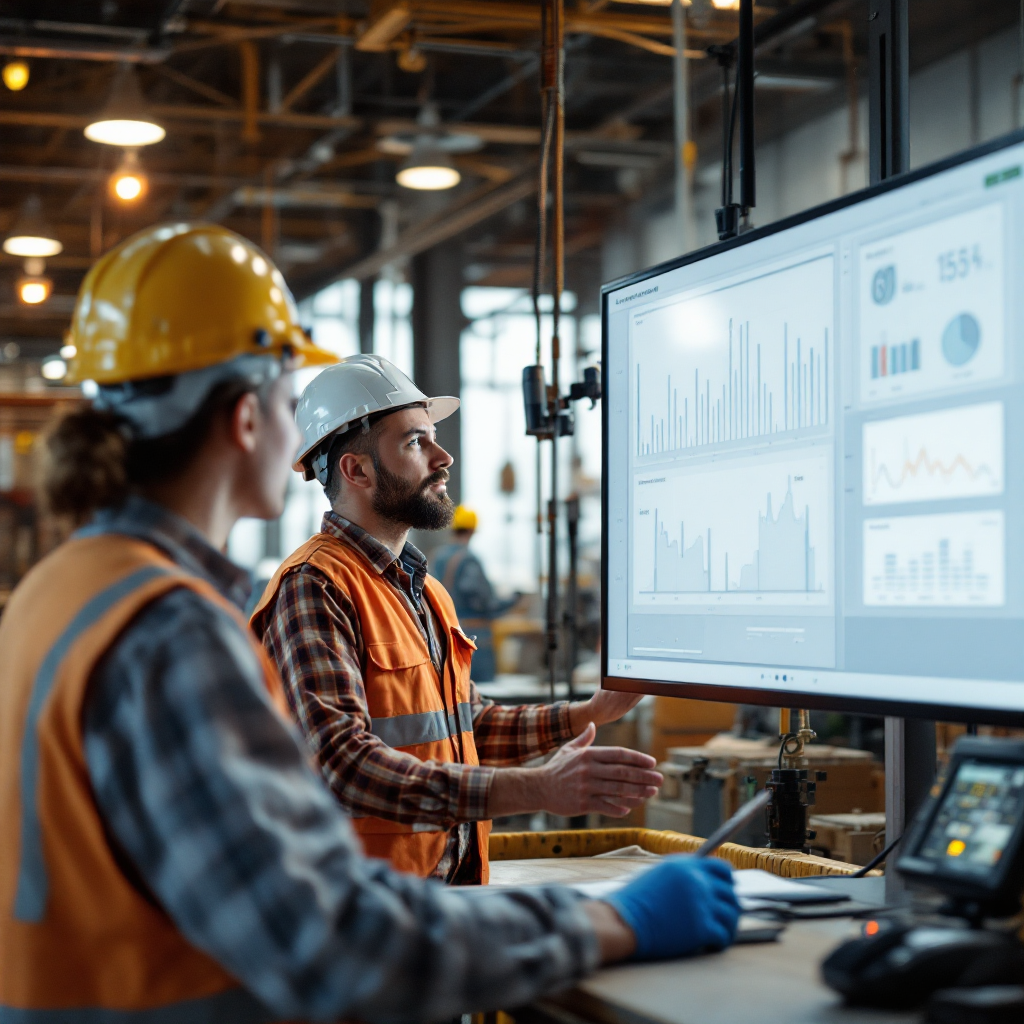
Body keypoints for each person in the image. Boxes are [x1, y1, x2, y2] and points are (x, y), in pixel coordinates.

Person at [0, 222, 740, 1024]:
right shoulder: (174, 627)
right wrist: (611, 923)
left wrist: (582, 715)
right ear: (246, 419)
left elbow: (449, 725)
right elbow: (328, 937)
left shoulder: (63, 590)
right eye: (286, 400)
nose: (292, 432)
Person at [251, 356, 661, 884]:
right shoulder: (315, 586)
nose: (443, 458)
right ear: (356, 470)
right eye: (414, 442)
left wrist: (589, 713)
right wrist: (537, 788)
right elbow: (342, 764)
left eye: (434, 438)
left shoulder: (426, 592)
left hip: (439, 896)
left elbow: (467, 726)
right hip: (360, 905)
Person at [432, 505, 516, 682]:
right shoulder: (469, 560)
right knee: (480, 692)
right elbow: (485, 602)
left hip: (445, 635)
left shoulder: (438, 557)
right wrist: (513, 600)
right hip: (474, 637)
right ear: (472, 531)